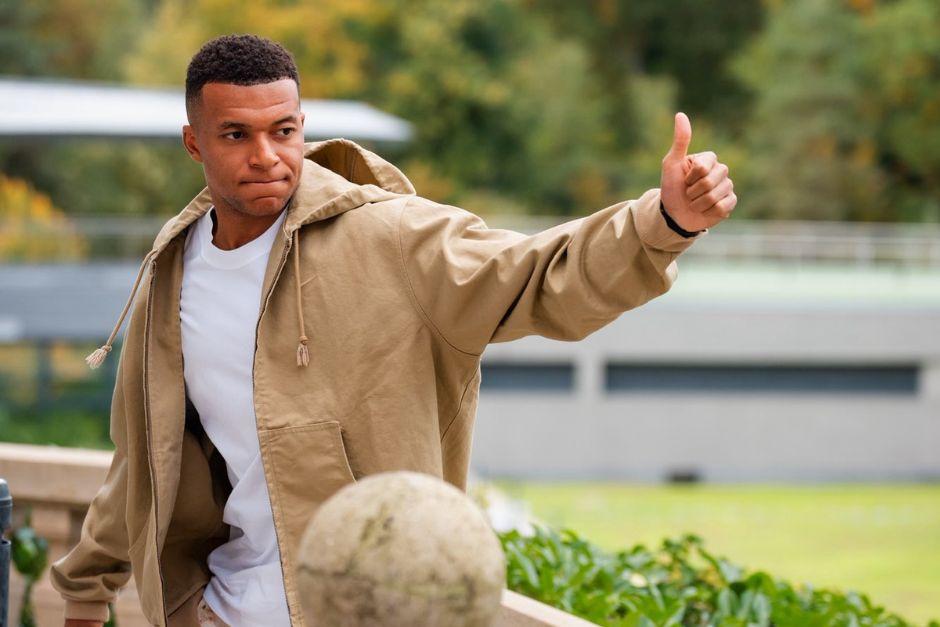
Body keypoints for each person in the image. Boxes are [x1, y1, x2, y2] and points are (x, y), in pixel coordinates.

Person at [50, 33, 734, 627]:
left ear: (303, 126)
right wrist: (85, 591)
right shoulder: (172, 275)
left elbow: (538, 274)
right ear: (194, 143)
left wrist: (661, 223)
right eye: (237, 135)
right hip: (225, 608)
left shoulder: (393, 239)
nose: (266, 155)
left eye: (283, 130)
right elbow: (146, 455)